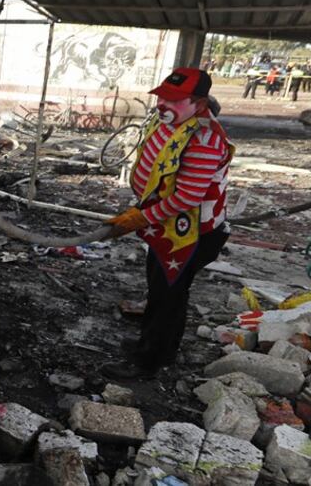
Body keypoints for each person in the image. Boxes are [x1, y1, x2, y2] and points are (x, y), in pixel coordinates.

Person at [100, 68, 234, 380]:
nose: (163, 104)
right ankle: (158, 346)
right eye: (161, 96)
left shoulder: (204, 138)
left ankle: (149, 361)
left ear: (199, 103)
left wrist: (139, 217)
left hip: (194, 232)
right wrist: (142, 209)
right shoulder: (175, 123)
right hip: (170, 226)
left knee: (168, 295)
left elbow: (187, 197)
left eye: (173, 99)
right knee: (162, 290)